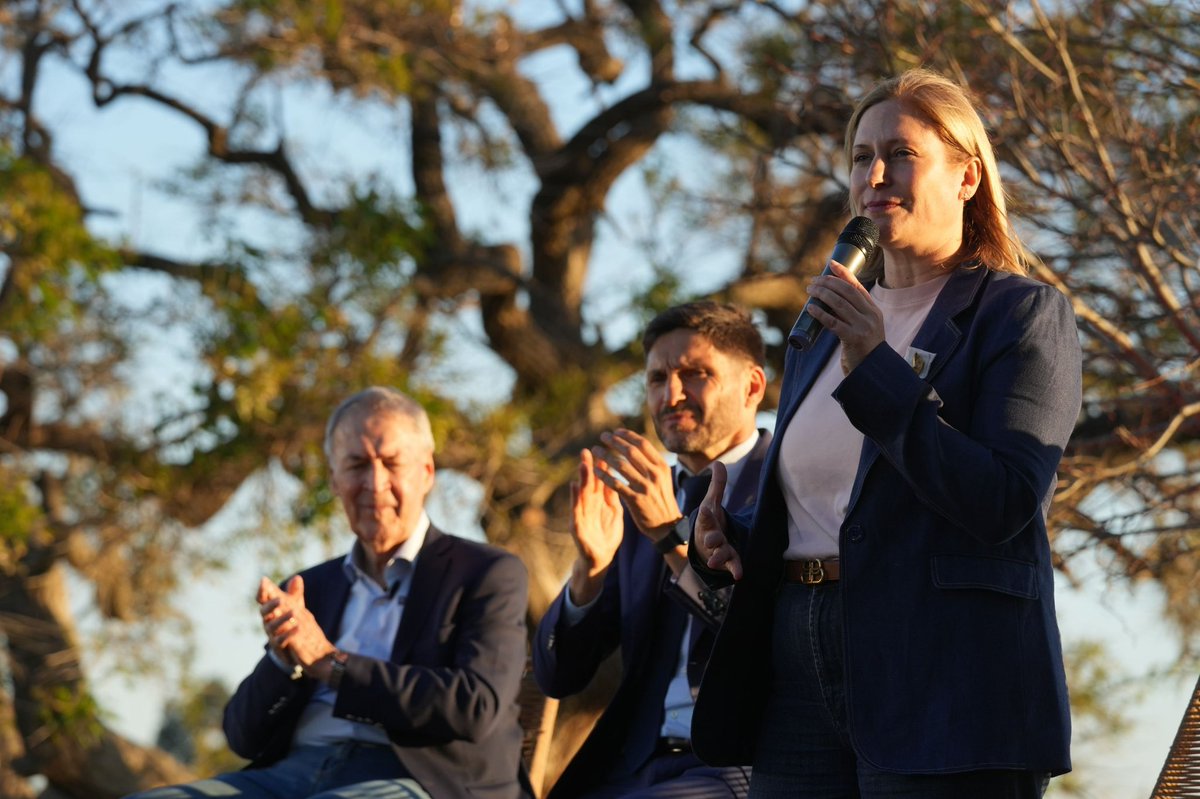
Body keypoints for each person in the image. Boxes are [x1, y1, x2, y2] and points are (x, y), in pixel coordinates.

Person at [688, 68, 1082, 798]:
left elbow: (1003, 500)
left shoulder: (1021, 315)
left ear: (967, 176)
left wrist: (875, 366)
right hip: (795, 669)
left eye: (900, 153)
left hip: (945, 673)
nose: (874, 174)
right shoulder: (822, 327)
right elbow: (840, 505)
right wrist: (732, 536)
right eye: (859, 155)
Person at [126, 387, 532, 799]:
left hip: (420, 780)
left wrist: (330, 663)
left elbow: (475, 705)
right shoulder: (310, 588)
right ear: (335, 479)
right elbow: (242, 737)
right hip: (291, 775)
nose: (375, 484)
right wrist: (284, 660)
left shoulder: (485, 573)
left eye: (392, 463)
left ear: (426, 472)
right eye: (356, 464)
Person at [534, 301, 769, 798]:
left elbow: (755, 637)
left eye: (695, 373)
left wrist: (670, 533)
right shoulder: (641, 502)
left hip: (738, 764)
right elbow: (559, 676)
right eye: (657, 378)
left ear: (752, 387)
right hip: (631, 765)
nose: (672, 394)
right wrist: (589, 571)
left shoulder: (788, 487)